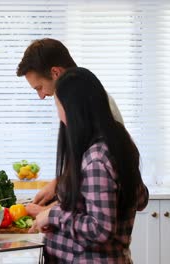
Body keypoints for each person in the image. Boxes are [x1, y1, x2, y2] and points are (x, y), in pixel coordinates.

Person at [29, 67, 149, 263]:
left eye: (58, 107)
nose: (59, 116)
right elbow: (141, 198)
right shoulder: (119, 140)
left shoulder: (96, 159)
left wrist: (54, 215)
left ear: (73, 110)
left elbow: (100, 229)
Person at [16, 38, 124, 212]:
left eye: (39, 87)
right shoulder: (77, 105)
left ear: (56, 73)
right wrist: (60, 183)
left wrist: (49, 213)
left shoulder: (97, 105)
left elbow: (101, 174)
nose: (41, 96)